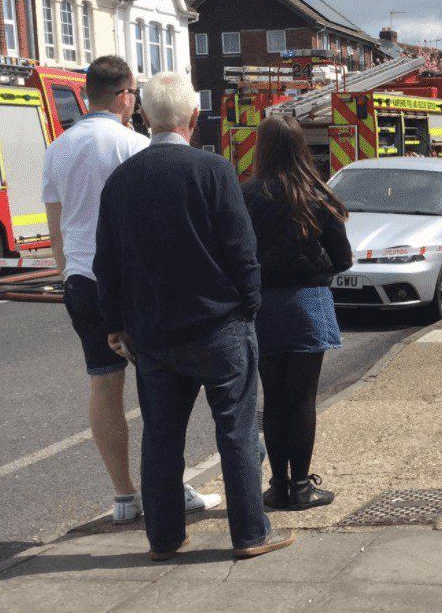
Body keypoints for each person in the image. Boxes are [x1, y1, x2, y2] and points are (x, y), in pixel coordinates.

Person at [94, 72, 294, 561]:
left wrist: (116, 324)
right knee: (237, 432)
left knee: (161, 438)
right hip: (219, 326)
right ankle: (250, 534)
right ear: (192, 119)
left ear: (143, 116)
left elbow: (107, 261)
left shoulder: (122, 180)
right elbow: (241, 250)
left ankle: (165, 538)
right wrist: (249, 307)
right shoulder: (214, 171)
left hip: (154, 333)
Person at [42, 56, 217, 525]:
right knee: (159, 386)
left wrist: (66, 277)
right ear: (124, 97)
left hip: (80, 279)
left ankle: (123, 496)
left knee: (103, 383)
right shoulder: (134, 145)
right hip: (131, 279)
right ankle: (170, 487)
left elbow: (57, 229)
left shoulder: (57, 148)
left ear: (86, 94)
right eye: (134, 95)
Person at [242, 115, 352, 511]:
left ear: (262, 148)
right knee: (303, 400)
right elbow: (343, 259)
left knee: (273, 399)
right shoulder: (317, 195)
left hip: (263, 307)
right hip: (308, 303)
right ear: (300, 147)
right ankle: (303, 487)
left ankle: (277, 485)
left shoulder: (246, 194)